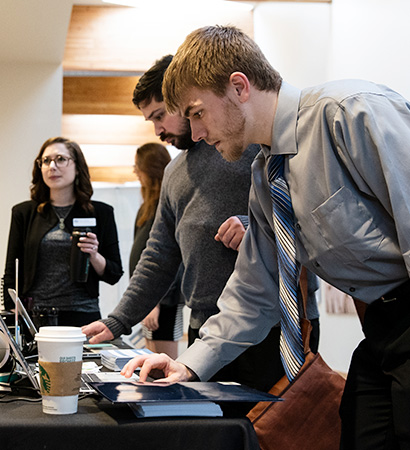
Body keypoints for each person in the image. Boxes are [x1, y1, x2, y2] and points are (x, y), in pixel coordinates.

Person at [121, 26, 410, 449]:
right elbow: (253, 291)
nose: (195, 133)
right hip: (382, 329)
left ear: (239, 86)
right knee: (358, 428)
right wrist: (189, 366)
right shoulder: (266, 176)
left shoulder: (350, 112)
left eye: (198, 113)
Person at [83, 55, 320, 392]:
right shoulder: (174, 173)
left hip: (277, 325)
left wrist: (256, 229)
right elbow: (159, 256)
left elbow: (303, 216)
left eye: (160, 116)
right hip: (205, 329)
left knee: (280, 436)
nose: (158, 130)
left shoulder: (251, 145)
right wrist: (118, 320)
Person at [2, 137, 123, 327]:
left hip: (83, 317)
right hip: (35, 318)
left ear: (77, 166)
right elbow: (12, 271)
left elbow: (114, 273)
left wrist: (93, 255)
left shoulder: (101, 213)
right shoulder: (23, 213)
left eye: (60, 159)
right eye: (46, 161)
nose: (52, 166)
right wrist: (11, 314)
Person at [130, 142, 184, 358]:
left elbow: (172, 259)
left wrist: (156, 303)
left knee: (164, 367)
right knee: (152, 364)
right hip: (150, 300)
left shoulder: (168, 206)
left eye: (137, 167)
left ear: (149, 168)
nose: (135, 172)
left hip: (164, 302)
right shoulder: (146, 207)